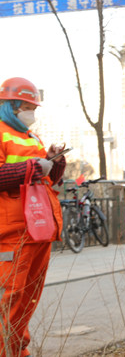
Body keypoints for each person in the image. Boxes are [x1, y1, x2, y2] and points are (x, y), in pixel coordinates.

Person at [0, 77, 66, 357]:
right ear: (10, 105)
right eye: (26, 107)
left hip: (37, 231)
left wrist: (55, 162)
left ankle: (15, 350)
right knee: (9, 297)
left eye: (33, 107)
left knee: (27, 299)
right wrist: (30, 168)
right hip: (11, 234)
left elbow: (48, 181)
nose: (31, 114)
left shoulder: (32, 138)